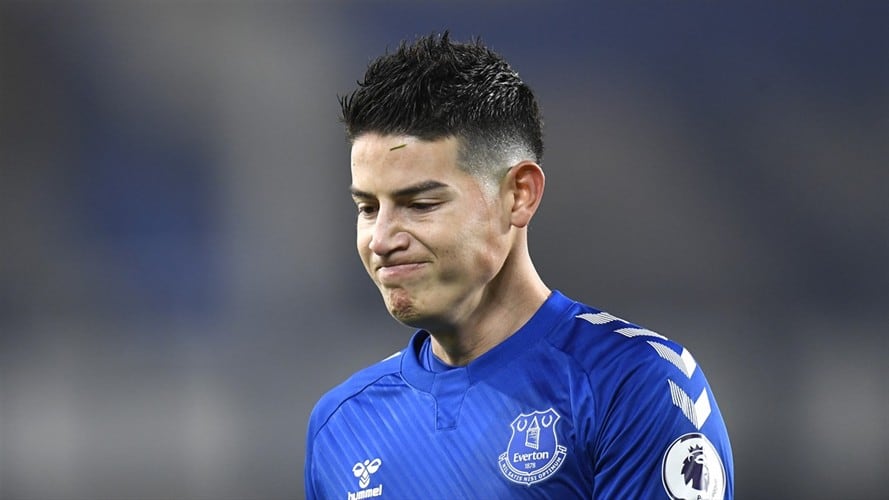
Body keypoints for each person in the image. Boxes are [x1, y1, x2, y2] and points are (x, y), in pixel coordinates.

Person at [305, 32, 733, 499]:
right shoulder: (343, 424)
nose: (382, 240)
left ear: (518, 195)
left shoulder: (633, 384)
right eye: (367, 208)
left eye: (421, 204)